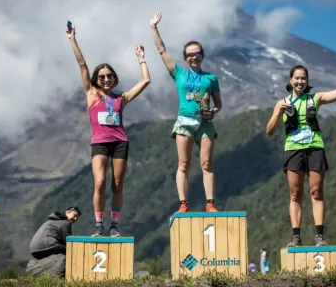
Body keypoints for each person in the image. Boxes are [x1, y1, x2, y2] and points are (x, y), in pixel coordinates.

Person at [266, 60, 336, 247]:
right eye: (297, 78)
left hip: (315, 148)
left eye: (303, 78)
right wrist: (277, 114)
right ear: (290, 80)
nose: (300, 81)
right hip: (293, 150)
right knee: (295, 194)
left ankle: (319, 237)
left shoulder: (315, 98)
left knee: (316, 192)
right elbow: (270, 130)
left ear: (307, 80)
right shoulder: (282, 103)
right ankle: (296, 237)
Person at [67, 23, 151, 236]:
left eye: (109, 76)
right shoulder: (91, 95)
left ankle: (114, 225)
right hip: (100, 143)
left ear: (114, 79)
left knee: (117, 185)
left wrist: (141, 58)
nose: (106, 79)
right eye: (102, 76)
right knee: (100, 182)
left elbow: (146, 80)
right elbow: (83, 65)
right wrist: (72, 39)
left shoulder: (121, 99)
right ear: (97, 79)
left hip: (120, 142)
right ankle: (99, 224)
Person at [149, 12, 222, 213]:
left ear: (202, 55)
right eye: (189, 54)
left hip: (205, 123)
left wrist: (213, 112)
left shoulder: (211, 78)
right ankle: (183, 204)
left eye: (196, 52)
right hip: (184, 122)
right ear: (185, 57)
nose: (193, 56)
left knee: (207, 163)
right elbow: (162, 51)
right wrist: (154, 28)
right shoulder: (178, 73)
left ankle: (210, 203)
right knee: (184, 163)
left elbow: (218, 103)